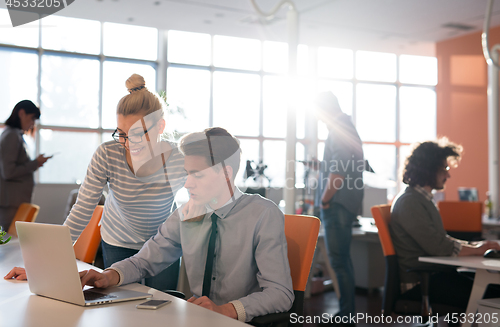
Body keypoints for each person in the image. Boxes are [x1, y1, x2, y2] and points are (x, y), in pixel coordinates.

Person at [74, 127, 294, 322]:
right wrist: (108, 275)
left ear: (225, 173)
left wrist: (226, 310)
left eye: (197, 175)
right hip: (196, 318)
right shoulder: (187, 213)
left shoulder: (263, 214)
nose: (187, 183)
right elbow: (145, 261)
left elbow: (280, 293)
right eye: (187, 173)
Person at [5, 74, 185, 291]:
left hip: (163, 245)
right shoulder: (108, 154)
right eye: (121, 134)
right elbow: (81, 210)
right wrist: (43, 266)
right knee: (123, 309)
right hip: (119, 241)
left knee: (163, 309)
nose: (128, 144)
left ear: (160, 127)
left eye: (137, 134)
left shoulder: (180, 157)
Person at [389, 138, 500, 310]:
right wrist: (478, 249)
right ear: (429, 170)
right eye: (444, 169)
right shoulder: (409, 203)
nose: (448, 175)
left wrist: (475, 246)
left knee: (492, 288)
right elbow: (439, 247)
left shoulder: (421, 200)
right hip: (422, 282)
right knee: (491, 293)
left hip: (436, 274)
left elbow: (441, 241)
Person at [314, 91, 364, 322]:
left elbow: (339, 170)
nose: (319, 119)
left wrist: (325, 199)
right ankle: (347, 314)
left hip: (337, 204)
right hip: (345, 203)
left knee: (339, 262)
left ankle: (346, 316)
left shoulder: (339, 130)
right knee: (342, 260)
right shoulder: (346, 128)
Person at [0, 100, 51, 231]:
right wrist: (35, 163)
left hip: (13, 203)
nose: (32, 124)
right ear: (21, 113)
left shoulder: (13, 135)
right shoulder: (11, 136)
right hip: (10, 204)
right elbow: (8, 172)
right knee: (9, 243)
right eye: (32, 118)